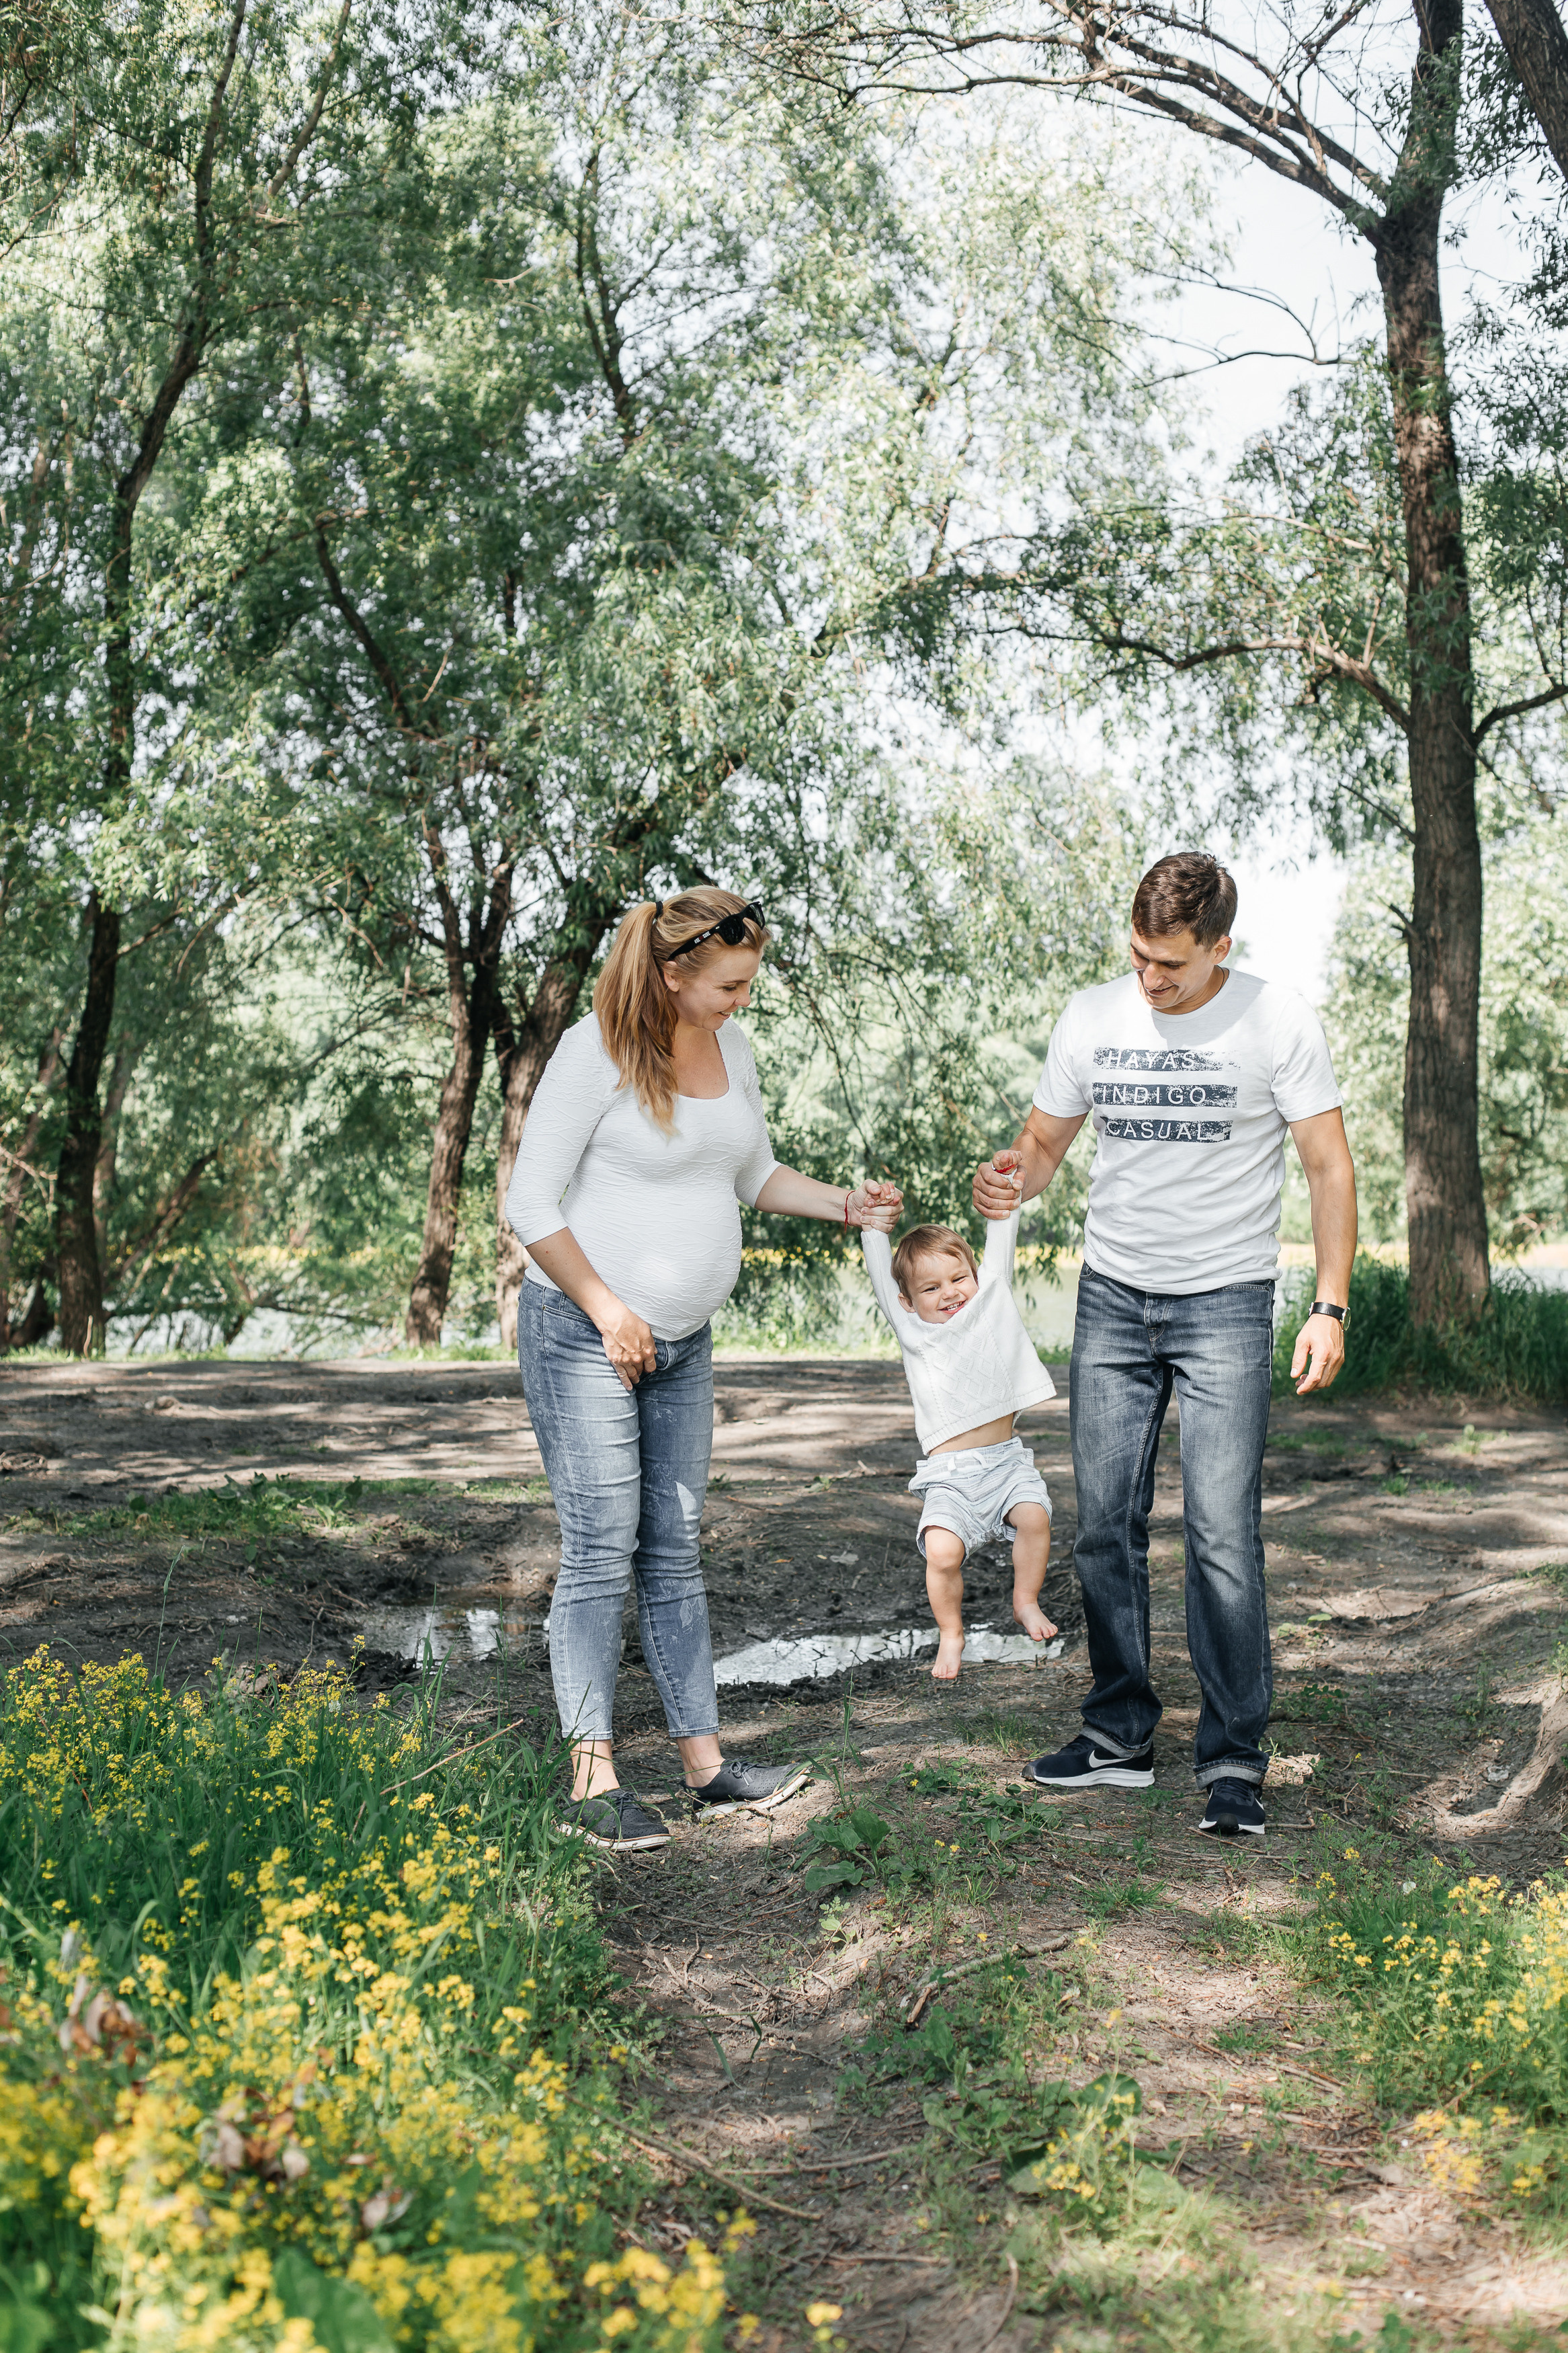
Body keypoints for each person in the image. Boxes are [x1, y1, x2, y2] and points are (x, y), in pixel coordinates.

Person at [506, 888, 902, 1851]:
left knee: (674, 1548)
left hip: (683, 1344)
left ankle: (705, 1765)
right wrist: (610, 1311)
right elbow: (529, 1202)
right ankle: (593, 1781)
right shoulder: (593, 1053)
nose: (741, 1001)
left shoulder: (732, 1050)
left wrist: (846, 1205)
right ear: (673, 972)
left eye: (748, 983)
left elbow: (748, 1174)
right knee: (603, 1548)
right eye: (728, 985)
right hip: (583, 1332)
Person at [971, 851, 1356, 1840]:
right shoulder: (1092, 1017)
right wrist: (1013, 1177)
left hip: (1226, 1302)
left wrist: (1331, 1306)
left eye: (1171, 967)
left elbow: (1326, 1164)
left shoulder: (1276, 1020)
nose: (1149, 980)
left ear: (1220, 947)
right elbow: (1047, 1142)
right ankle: (1117, 1737)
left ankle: (1231, 1759)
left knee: (1223, 1537)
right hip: (1111, 1299)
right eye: (1138, 957)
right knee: (1105, 1526)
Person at [861, 1203, 1058, 1680]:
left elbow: (1000, 1249)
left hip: (1005, 1463)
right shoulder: (912, 1329)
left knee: (1034, 1518)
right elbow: (879, 1275)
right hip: (951, 1477)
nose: (949, 1293)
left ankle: (1024, 1600)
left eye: (958, 1279)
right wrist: (872, 1226)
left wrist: (1003, 1206)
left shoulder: (990, 1301)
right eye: (930, 1288)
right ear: (908, 1300)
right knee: (942, 1553)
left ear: (974, 1275)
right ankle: (951, 1633)